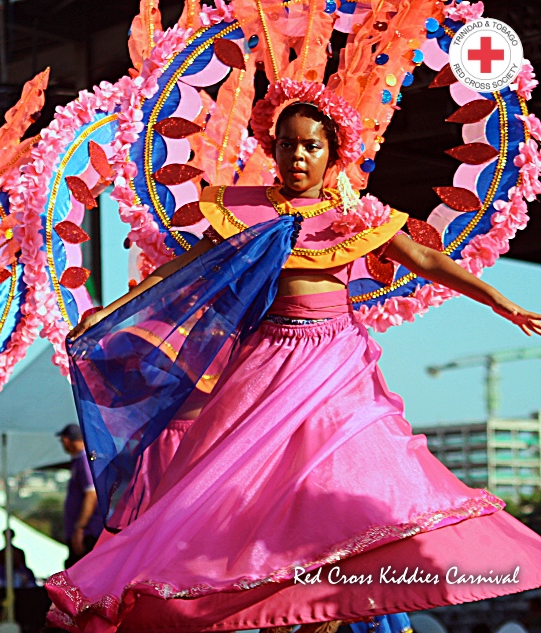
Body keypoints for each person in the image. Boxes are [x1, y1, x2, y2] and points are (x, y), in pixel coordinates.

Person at [46, 80, 541, 632]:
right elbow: (182, 269)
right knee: (238, 491)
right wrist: (115, 308)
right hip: (267, 365)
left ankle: (322, 607)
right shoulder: (248, 211)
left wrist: (503, 304)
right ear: (273, 148)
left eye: (310, 145)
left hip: (334, 364)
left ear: (333, 152)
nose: (298, 155)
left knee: (346, 490)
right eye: (287, 144)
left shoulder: (357, 214)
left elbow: (426, 259)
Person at [56, 424, 103, 568]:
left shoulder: (84, 460)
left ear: (66, 440)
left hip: (87, 533)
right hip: (84, 532)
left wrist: (80, 528)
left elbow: (91, 493)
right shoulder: (80, 460)